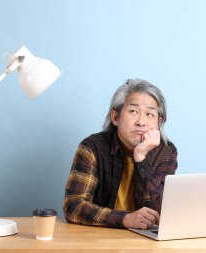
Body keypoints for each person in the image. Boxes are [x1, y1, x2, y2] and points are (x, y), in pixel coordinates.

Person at [63, 78, 178, 229]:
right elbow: (73, 206)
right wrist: (124, 219)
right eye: (133, 111)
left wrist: (141, 159)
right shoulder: (92, 148)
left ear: (159, 121)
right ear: (115, 117)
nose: (141, 122)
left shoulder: (166, 152)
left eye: (150, 114)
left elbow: (159, 212)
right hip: (100, 238)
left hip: (146, 241)